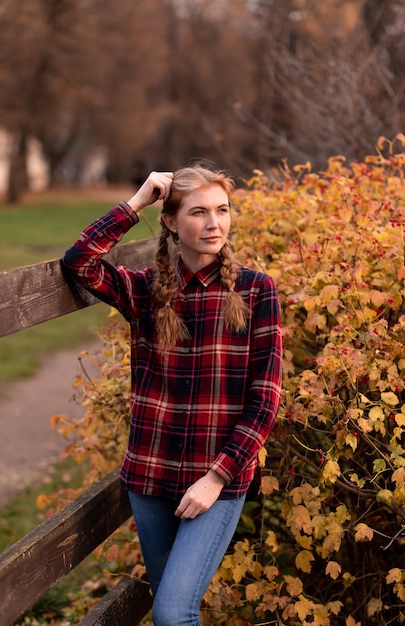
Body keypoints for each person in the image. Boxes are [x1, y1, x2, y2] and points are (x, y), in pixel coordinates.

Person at [62, 164, 282, 626]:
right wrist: (136, 202)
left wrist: (217, 477)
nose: (214, 224)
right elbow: (79, 261)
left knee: (171, 612)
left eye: (222, 210)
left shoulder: (256, 290)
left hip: (217, 478)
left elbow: (266, 399)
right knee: (171, 607)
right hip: (150, 475)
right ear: (170, 221)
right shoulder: (145, 290)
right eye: (199, 212)